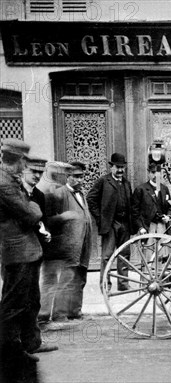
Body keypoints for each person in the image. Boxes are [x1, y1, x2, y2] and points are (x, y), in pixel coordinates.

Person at [0, 139, 56, 382]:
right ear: (16, 160)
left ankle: (30, 344)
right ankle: (9, 353)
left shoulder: (9, 180)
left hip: (27, 250)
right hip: (17, 251)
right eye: (24, 161)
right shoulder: (4, 184)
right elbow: (30, 212)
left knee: (30, 300)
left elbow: (29, 214)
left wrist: (31, 209)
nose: (25, 165)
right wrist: (33, 205)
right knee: (13, 305)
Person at [43, 161, 94, 323]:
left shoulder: (81, 193)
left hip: (83, 243)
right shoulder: (61, 193)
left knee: (80, 277)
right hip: (69, 245)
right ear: (68, 177)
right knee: (66, 279)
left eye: (82, 177)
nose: (80, 180)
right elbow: (52, 220)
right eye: (77, 177)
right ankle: (59, 314)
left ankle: (75, 311)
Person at [87, 152, 134, 291]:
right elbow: (91, 199)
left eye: (122, 167)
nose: (120, 170)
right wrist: (100, 218)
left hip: (125, 223)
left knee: (124, 255)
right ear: (111, 167)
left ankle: (123, 284)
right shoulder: (103, 181)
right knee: (107, 256)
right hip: (111, 224)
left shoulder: (126, 183)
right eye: (117, 167)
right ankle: (105, 284)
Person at [132, 162, 171, 235]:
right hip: (147, 227)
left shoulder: (164, 189)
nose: (155, 175)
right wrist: (140, 227)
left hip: (162, 227)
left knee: (162, 246)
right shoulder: (141, 189)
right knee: (148, 246)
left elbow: (170, 206)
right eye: (153, 172)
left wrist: (168, 217)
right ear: (148, 173)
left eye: (157, 173)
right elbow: (135, 211)